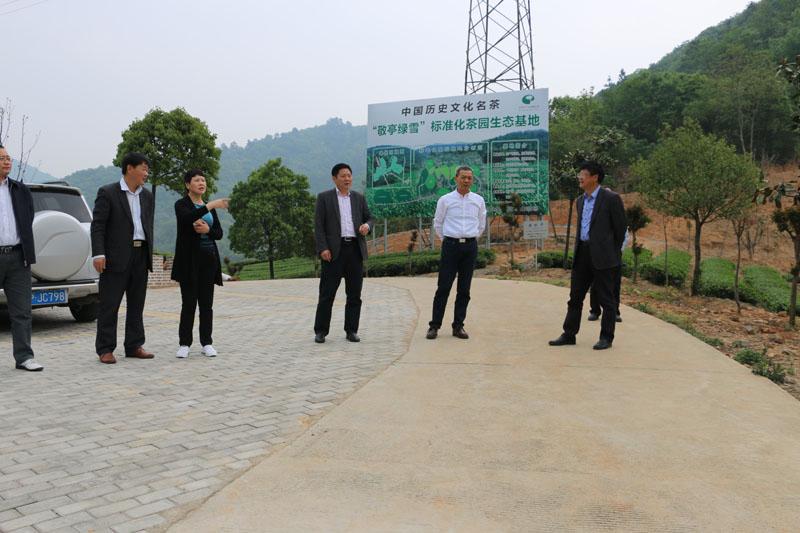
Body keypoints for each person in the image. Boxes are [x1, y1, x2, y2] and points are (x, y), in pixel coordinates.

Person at [549, 161, 626, 350]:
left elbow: (620, 229)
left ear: (594, 177)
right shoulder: (580, 201)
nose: (579, 177)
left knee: (606, 299)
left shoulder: (611, 199)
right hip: (582, 253)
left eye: (583, 174)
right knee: (575, 297)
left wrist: (612, 252)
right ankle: (569, 334)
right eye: (580, 174)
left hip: (604, 256)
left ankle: (606, 337)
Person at [91, 152, 155, 364]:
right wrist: (99, 253)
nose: (146, 173)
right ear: (130, 168)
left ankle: (134, 345)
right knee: (109, 305)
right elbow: (98, 225)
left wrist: (149, 253)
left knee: (137, 304)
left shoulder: (147, 196)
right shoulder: (108, 192)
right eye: (143, 168)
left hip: (140, 255)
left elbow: (148, 226)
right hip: (115, 257)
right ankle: (105, 349)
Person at [313, 163, 374, 343]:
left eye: (349, 175)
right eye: (343, 176)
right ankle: (321, 331)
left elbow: (370, 218)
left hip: (355, 250)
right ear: (334, 178)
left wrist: (367, 226)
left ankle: (351, 330)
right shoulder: (324, 198)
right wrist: (323, 248)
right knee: (327, 293)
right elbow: (318, 226)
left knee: (354, 294)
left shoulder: (358, 198)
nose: (347, 179)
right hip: (333, 252)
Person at [171, 169, 228, 358]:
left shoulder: (208, 207)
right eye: (197, 180)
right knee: (188, 303)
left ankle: (207, 343)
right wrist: (212, 204)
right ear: (188, 184)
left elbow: (218, 233)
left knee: (206, 304)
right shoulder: (181, 205)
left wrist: (207, 230)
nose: (201, 183)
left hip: (209, 260)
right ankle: (184, 344)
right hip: (189, 261)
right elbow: (187, 219)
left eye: (203, 180)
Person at [426, 165, 486, 340]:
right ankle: (434, 326)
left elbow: (481, 224)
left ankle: (458, 326)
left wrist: (471, 238)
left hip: (470, 247)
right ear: (456, 179)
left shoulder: (478, 200)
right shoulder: (445, 200)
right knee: (443, 287)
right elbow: (438, 223)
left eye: (469, 178)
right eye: (463, 177)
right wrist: (447, 240)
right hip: (450, 246)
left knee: (464, 289)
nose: (466, 180)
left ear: (472, 180)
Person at [0, 144, 42, 371]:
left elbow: (28, 217)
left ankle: (24, 357)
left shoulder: (19, 189)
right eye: (2, 158)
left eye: (8, 158)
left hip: (18, 256)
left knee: (22, 311)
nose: (7, 161)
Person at [588, 227, 629, 322]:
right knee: (595, 283)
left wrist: (618, 250)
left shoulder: (619, 219)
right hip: (599, 254)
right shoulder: (598, 219)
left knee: (615, 285)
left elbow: (625, 235)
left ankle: (615, 312)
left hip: (615, 254)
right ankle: (595, 311)